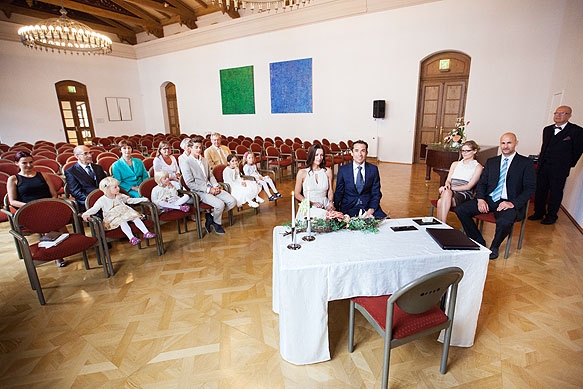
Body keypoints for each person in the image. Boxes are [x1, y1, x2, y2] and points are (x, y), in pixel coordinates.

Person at [455, 133, 536, 260]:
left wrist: (512, 203)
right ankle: (478, 240)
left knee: (504, 221)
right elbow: (482, 183)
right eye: (503, 143)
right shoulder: (492, 162)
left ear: (516, 143)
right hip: (489, 199)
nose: (505, 146)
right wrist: (480, 199)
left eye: (509, 143)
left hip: (509, 202)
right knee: (461, 209)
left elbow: (530, 188)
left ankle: (495, 246)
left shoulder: (525, 163)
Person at [7, 151, 65, 267]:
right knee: (49, 222)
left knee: (57, 218)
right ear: (16, 163)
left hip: (47, 205)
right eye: (24, 163)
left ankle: (61, 248)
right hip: (27, 209)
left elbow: (53, 194)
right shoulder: (13, 179)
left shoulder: (43, 175)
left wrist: (49, 204)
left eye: (31, 162)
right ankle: (57, 255)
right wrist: (30, 207)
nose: (29, 165)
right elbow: (12, 201)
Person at [528, 105, 583, 225]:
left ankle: (552, 216)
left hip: (560, 168)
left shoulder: (576, 131)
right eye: (556, 113)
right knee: (540, 190)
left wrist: (568, 164)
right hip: (544, 166)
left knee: (556, 192)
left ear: (569, 116)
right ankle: (538, 212)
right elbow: (544, 148)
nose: (558, 115)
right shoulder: (547, 129)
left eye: (562, 113)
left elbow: (577, 150)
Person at [178, 137, 236, 235]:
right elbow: (190, 183)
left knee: (232, 201)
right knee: (220, 204)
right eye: (196, 147)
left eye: (200, 147)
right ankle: (217, 223)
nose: (199, 150)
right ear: (190, 148)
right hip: (199, 191)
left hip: (211, 186)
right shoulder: (186, 162)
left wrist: (216, 185)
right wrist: (209, 190)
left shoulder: (204, 160)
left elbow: (211, 175)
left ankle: (211, 217)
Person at [82, 177, 155, 246]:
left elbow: (130, 200)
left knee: (136, 218)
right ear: (107, 189)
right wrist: (86, 214)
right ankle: (131, 237)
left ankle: (146, 232)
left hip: (125, 213)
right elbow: (95, 209)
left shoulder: (119, 196)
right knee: (122, 222)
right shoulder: (102, 200)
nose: (118, 188)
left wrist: (143, 199)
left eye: (118, 186)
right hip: (114, 217)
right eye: (115, 187)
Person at [333, 140, 387, 219]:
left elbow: (376, 193)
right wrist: (336, 210)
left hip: (368, 206)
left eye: (363, 151)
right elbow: (339, 192)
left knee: (385, 223)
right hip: (349, 207)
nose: (360, 154)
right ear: (351, 153)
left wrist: (370, 210)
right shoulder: (343, 170)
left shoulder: (373, 169)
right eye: (356, 150)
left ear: (366, 153)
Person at [436, 140, 483, 223]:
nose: (464, 153)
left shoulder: (478, 167)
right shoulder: (455, 164)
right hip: (450, 190)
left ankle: (440, 224)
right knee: (446, 193)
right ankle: (442, 225)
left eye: (467, 151)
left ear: (474, 151)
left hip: (464, 193)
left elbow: (469, 186)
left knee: (441, 201)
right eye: (462, 151)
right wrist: (447, 185)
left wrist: (448, 188)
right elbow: (448, 180)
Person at [294, 144, 334, 219]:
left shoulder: (328, 171)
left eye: (321, 155)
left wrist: (331, 202)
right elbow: (297, 194)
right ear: (311, 155)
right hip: (309, 205)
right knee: (319, 216)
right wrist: (311, 203)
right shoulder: (302, 173)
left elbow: (330, 191)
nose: (319, 158)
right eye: (317, 155)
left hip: (325, 204)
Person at [65, 145, 108, 212]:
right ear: (77, 156)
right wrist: (94, 198)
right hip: (87, 201)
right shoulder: (71, 172)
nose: (90, 156)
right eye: (85, 153)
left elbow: (106, 183)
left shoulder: (98, 168)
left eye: (90, 153)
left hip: (104, 197)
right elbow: (76, 193)